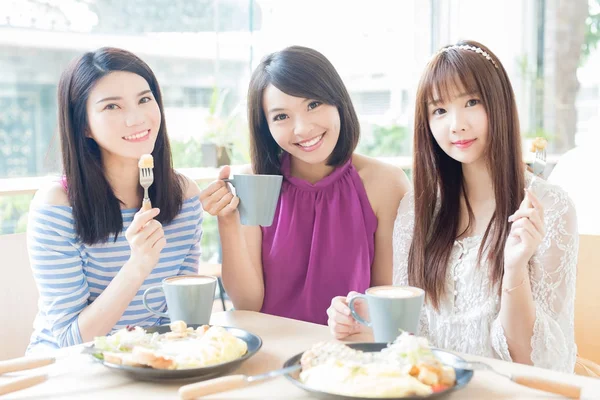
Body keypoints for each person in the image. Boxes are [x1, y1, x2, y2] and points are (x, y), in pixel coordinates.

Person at [328, 40, 578, 373]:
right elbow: (411, 336)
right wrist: (360, 325)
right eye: (439, 110)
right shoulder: (416, 212)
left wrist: (515, 268)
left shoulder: (549, 207)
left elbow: (535, 360)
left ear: (499, 104)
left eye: (472, 102)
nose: (456, 124)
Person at [200, 46, 410, 324]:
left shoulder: (385, 182)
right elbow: (248, 304)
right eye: (281, 117)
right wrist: (227, 222)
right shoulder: (255, 183)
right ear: (266, 127)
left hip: (351, 353)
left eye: (313, 104)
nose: (302, 128)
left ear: (338, 102)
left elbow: (387, 300)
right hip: (272, 349)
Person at [27, 47, 203, 353]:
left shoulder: (184, 197)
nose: (136, 118)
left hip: (151, 363)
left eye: (144, 99)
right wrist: (138, 265)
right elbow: (71, 340)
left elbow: (183, 318)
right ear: (83, 126)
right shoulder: (57, 206)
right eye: (112, 107)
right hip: (67, 370)